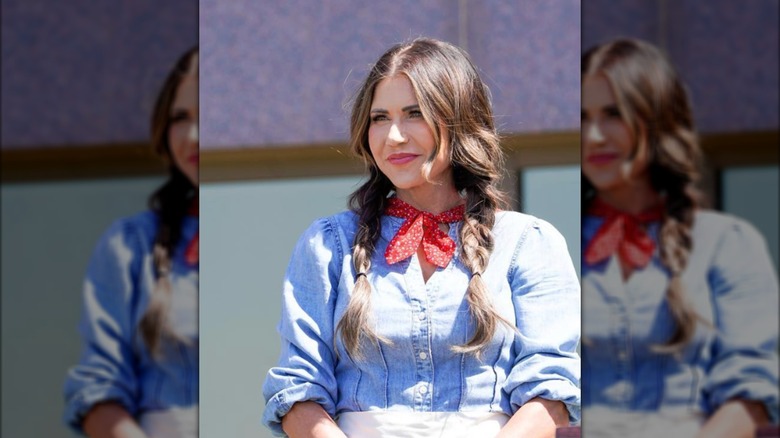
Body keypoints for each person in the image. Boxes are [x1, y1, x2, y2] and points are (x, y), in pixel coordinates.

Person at [262, 38, 580, 438]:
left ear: (459, 119)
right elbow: (296, 389)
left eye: (415, 114)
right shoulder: (328, 243)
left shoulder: (529, 242)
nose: (394, 136)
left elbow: (552, 394)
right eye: (380, 118)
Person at [580, 38, 779, 438]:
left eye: (613, 114)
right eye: (582, 117)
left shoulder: (729, 243)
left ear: (656, 122)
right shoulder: (553, 245)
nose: (595, 135)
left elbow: (752, 395)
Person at [63, 47, 199, 438]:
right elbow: (97, 388)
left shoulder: (293, 240)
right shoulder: (129, 244)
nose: (193, 136)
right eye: (181, 118)